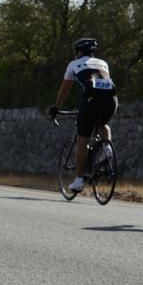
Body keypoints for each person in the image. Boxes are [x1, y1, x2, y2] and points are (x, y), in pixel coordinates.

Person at [48, 38, 118, 192]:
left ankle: (79, 181)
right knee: (102, 124)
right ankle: (107, 150)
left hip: (92, 100)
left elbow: (64, 90)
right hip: (112, 100)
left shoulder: (73, 64)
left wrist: (56, 107)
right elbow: (102, 84)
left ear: (79, 52)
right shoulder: (103, 63)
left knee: (82, 139)